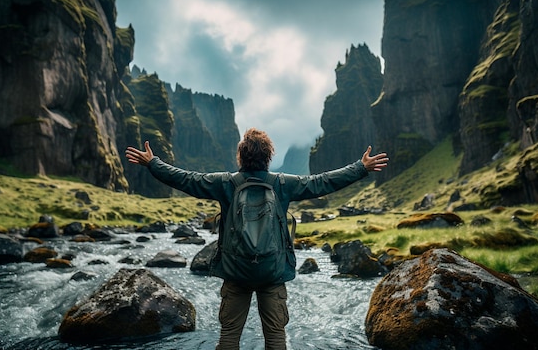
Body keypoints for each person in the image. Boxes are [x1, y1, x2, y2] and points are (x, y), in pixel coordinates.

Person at [125, 128, 388, 350]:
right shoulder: (284, 184)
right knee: (275, 338)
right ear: (269, 157)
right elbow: (322, 182)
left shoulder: (224, 183)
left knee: (229, 337)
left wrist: (153, 163)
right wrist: (360, 168)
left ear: (240, 156)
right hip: (272, 272)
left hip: (236, 272)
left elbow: (185, 179)